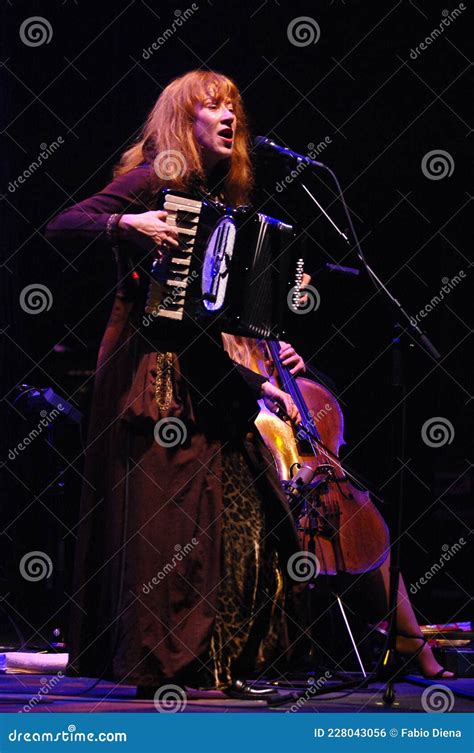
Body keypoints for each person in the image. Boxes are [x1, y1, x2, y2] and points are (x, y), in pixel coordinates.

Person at [46, 70, 308, 697]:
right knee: (167, 522)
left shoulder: (222, 202)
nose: (228, 116)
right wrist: (127, 225)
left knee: (240, 510)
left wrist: (258, 374)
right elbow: (64, 223)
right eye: (212, 106)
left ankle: (219, 660)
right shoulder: (158, 176)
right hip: (148, 372)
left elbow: (214, 314)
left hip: (202, 372)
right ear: (181, 120)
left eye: (233, 108)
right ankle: (164, 667)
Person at [222, 333, 455, 680]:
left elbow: (328, 402)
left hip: (316, 481)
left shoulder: (273, 348)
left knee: (371, 533)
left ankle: (410, 638)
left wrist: (305, 367)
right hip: (267, 489)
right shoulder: (227, 359)